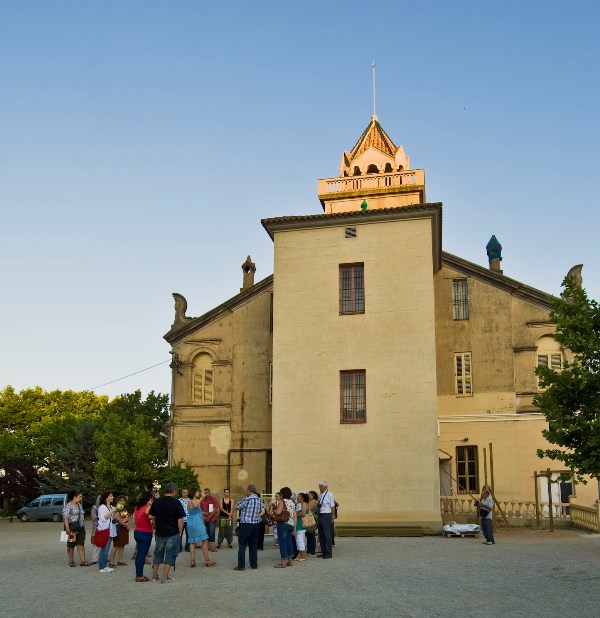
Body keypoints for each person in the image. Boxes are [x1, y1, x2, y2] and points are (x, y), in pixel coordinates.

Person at [149, 482, 185, 583]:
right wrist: (180, 532)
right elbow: (180, 519)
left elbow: (151, 516)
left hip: (160, 531)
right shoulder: (176, 502)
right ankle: (164, 577)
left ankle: (154, 576)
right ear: (174, 491)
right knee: (170, 553)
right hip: (172, 532)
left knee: (158, 553)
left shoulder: (156, 502)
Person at [234, 484, 265, 571]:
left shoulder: (246, 500)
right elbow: (263, 509)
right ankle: (254, 564)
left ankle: (241, 565)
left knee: (242, 545)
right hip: (255, 525)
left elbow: (236, 506)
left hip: (246, 524)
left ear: (249, 491)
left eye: (247, 491)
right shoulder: (259, 500)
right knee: (253, 545)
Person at [186, 488, 215, 567]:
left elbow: (194, 510)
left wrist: (202, 512)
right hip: (197, 523)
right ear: (194, 493)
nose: (199, 493)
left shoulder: (188, 502)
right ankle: (207, 560)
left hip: (190, 522)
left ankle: (192, 561)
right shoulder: (194, 501)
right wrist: (201, 498)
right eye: (197, 492)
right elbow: (195, 505)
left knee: (192, 542)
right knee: (204, 540)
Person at [62, 490, 89, 567]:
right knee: (71, 545)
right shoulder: (68, 506)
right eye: (79, 497)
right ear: (74, 497)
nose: (81, 498)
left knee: (81, 544)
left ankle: (83, 561)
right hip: (72, 528)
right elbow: (65, 518)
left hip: (80, 527)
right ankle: (71, 561)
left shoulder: (79, 505)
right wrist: (67, 528)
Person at [273, 486, 296, 568]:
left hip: (283, 524)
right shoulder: (292, 502)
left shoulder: (281, 501)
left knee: (282, 543)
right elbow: (294, 516)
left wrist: (274, 511)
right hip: (290, 524)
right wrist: (294, 528)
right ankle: (290, 560)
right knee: (289, 542)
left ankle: (283, 561)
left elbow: (278, 512)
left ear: (282, 494)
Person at [133, 491, 154, 582]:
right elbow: (150, 518)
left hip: (137, 531)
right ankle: (139, 576)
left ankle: (138, 573)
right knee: (142, 554)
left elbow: (134, 520)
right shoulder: (148, 508)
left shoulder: (137, 508)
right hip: (146, 532)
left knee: (139, 554)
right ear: (149, 499)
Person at [96, 490, 118, 573]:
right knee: (104, 548)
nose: (113, 497)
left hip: (110, 529)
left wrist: (116, 511)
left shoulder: (111, 507)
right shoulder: (102, 507)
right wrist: (112, 511)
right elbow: (103, 518)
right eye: (111, 496)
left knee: (107, 548)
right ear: (106, 497)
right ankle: (102, 566)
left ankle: (104, 565)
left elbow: (113, 518)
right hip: (104, 529)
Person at [109, 495, 130, 567]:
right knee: (116, 545)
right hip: (118, 528)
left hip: (124, 528)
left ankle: (120, 560)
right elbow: (117, 518)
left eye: (123, 500)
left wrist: (127, 524)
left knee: (122, 544)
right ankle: (111, 561)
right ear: (118, 501)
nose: (122, 501)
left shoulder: (124, 509)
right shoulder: (117, 509)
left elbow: (128, 517)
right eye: (121, 500)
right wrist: (125, 525)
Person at [317, 480, 336, 559]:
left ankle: (328, 553)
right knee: (321, 534)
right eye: (319, 486)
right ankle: (324, 551)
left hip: (327, 514)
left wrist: (332, 516)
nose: (319, 488)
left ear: (325, 487)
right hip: (320, 514)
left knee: (327, 534)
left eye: (321, 486)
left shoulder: (329, 495)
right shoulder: (321, 495)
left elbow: (332, 506)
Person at [200, 488, 220, 552]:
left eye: (207, 493)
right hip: (204, 518)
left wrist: (209, 517)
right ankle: (208, 546)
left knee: (212, 532)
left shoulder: (213, 499)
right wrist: (204, 516)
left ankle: (213, 546)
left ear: (210, 493)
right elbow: (199, 510)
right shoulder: (202, 501)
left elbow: (215, 509)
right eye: (205, 493)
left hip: (212, 518)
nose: (206, 494)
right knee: (206, 532)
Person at [294, 492, 309, 561]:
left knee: (300, 539)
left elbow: (303, 514)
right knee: (300, 539)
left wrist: (295, 515)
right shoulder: (302, 504)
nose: (297, 498)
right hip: (299, 523)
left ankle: (303, 555)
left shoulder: (304, 504)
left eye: (298, 497)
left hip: (301, 523)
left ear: (302, 498)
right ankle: (301, 554)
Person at [306, 490, 319, 556]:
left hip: (312, 519)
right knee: (308, 534)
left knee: (311, 534)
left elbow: (309, 510)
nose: (307, 496)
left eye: (309, 495)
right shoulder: (309, 501)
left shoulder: (314, 501)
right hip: (309, 519)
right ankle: (309, 549)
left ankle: (312, 550)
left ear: (312, 496)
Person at [178, 488, 190, 552]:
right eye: (183, 492)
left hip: (189, 520)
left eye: (186, 492)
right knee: (180, 534)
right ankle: (179, 547)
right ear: (181, 493)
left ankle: (188, 547)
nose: (185, 493)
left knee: (189, 534)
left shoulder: (190, 500)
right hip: (181, 520)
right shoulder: (178, 501)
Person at [90, 496, 100, 564]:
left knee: (103, 543)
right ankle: (94, 558)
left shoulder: (107, 507)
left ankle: (102, 557)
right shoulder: (95, 507)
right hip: (96, 528)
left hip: (104, 527)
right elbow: (93, 517)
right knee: (95, 543)